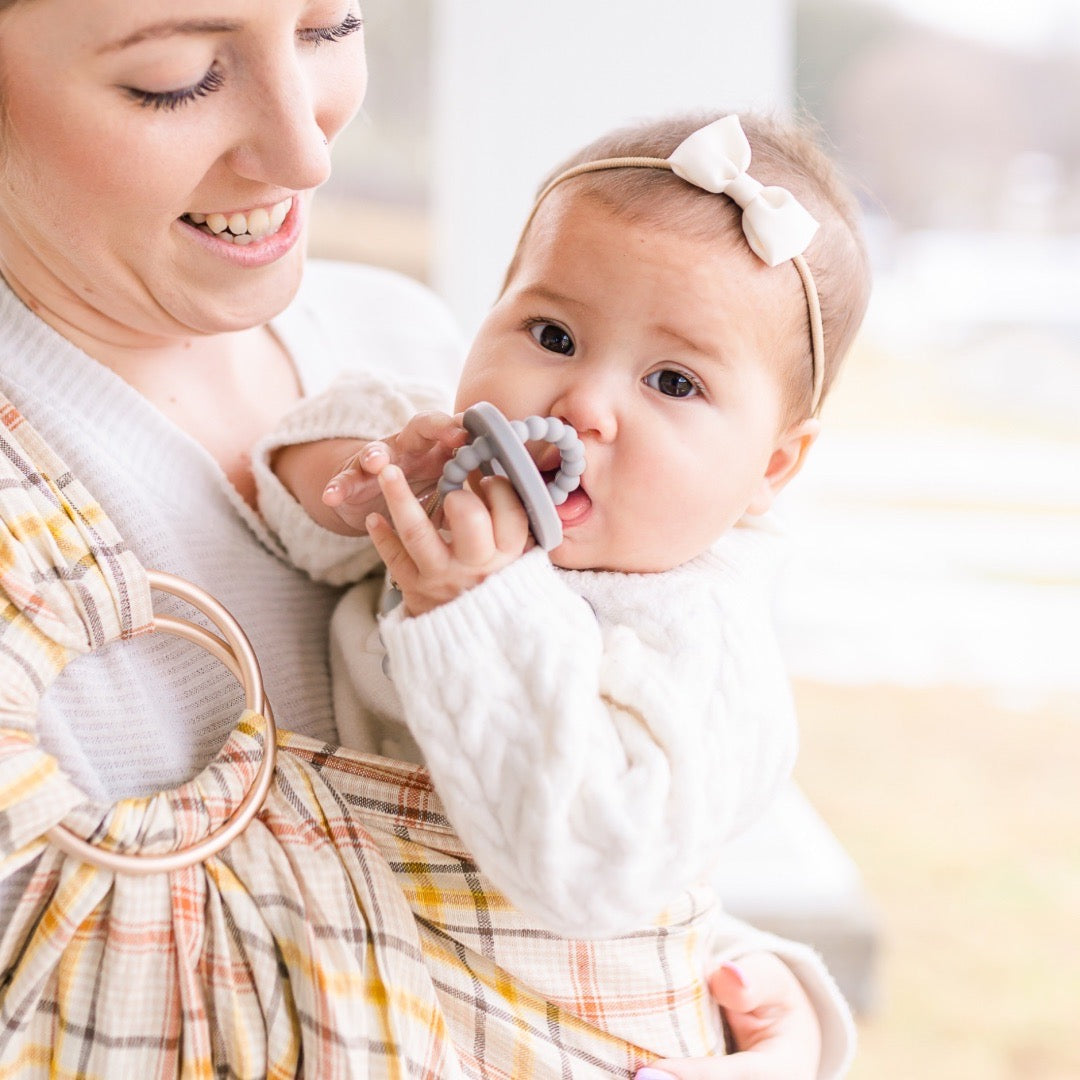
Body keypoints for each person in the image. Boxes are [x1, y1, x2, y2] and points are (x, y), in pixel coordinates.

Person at [0, 2, 853, 1077]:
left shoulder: (394, 333)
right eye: (175, 76)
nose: (307, 151)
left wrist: (732, 994)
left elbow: (583, 856)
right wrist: (343, 482)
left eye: (328, 26)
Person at [262, 109, 869, 1066]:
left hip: (542, 1023)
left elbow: (593, 867)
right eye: (552, 332)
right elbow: (281, 507)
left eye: (673, 383)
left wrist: (477, 608)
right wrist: (369, 476)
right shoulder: (460, 488)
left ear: (772, 469)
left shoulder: (702, 637)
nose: (581, 404)